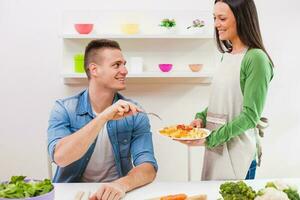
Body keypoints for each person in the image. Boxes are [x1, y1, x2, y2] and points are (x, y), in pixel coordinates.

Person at [47, 39, 157, 200]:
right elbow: (60, 158)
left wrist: (121, 185)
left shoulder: (135, 112)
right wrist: (104, 117)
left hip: (117, 193)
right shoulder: (64, 109)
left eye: (124, 64)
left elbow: (148, 167)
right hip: (72, 194)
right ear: (94, 70)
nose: (125, 70)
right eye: (116, 65)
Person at [176, 0, 274, 180]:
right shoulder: (226, 56)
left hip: (238, 153)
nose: (216, 24)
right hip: (216, 150)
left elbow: (250, 117)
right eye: (214, 18)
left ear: (241, 18)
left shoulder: (256, 58)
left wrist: (209, 138)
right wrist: (201, 118)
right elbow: (224, 101)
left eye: (222, 18)